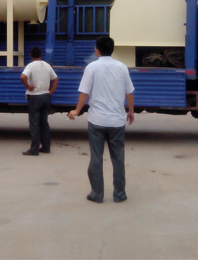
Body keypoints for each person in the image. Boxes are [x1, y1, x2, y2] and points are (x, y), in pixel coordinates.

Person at [68, 36, 135, 203]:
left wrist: (76, 111)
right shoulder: (122, 67)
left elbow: (84, 93)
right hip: (117, 121)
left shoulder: (92, 67)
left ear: (97, 50)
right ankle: (119, 194)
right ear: (112, 49)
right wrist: (131, 111)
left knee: (96, 157)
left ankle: (97, 194)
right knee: (118, 158)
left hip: (97, 121)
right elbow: (129, 92)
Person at [20, 46, 59, 156]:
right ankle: (46, 147)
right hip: (46, 96)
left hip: (35, 97)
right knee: (44, 123)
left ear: (31, 55)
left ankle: (34, 149)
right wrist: (51, 91)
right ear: (41, 55)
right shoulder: (47, 65)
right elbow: (55, 79)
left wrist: (28, 86)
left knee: (34, 124)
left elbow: (22, 77)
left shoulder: (30, 66)